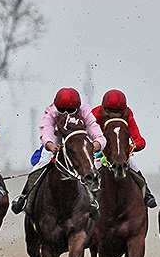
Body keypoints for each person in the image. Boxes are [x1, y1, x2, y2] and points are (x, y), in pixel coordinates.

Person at [10, 87, 106, 215]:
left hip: (77, 139)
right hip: (57, 139)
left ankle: (92, 200)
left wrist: (97, 143)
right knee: (41, 163)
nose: (66, 114)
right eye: (62, 110)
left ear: (77, 108)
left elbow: (95, 130)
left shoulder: (85, 111)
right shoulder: (51, 111)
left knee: (88, 165)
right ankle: (25, 197)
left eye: (71, 111)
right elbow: (46, 131)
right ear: (57, 107)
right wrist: (50, 145)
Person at [90, 89, 156, 208]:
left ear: (124, 110)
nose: (114, 115)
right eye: (110, 111)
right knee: (89, 170)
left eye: (118, 112)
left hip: (119, 153)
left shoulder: (128, 116)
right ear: (104, 109)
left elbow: (140, 141)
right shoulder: (94, 115)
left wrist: (126, 148)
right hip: (99, 152)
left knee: (133, 165)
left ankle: (147, 194)